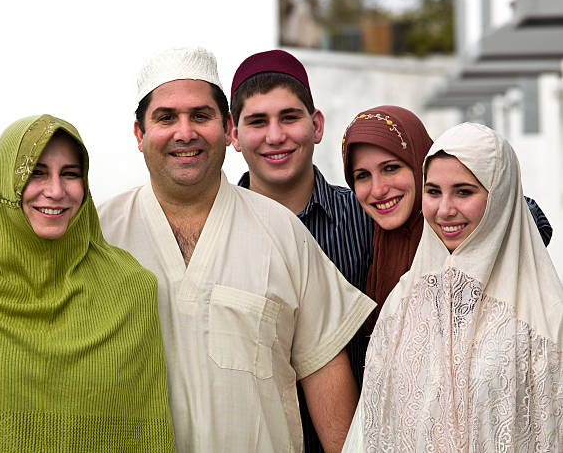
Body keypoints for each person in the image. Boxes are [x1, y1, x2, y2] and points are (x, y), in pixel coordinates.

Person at [0, 47, 376, 452]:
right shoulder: (94, 236)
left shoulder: (284, 234)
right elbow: (22, 295)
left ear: (228, 129)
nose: (185, 132)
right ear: (140, 133)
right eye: (166, 117)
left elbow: (337, 419)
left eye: (201, 115)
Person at [0, 115, 175, 451]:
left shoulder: (131, 291)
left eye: (70, 174)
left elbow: (144, 431)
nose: (55, 191)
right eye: (35, 172)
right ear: (3, 183)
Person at [343, 122, 563, 452]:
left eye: (464, 191)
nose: (445, 210)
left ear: (500, 195)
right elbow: (371, 426)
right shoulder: (404, 302)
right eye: (433, 192)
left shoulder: (544, 316)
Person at [230, 50, 373, 453]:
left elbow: (509, 217)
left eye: (289, 118)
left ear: (316, 125)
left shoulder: (368, 217)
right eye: (257, 122)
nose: (275, 136)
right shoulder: (214, 233)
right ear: (233, 135)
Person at [341, 105, 553, 318]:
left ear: (420, 162)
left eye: (391, 168)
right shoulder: (353, 231)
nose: (378, 190)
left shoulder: (470, 225)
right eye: (362, 175)